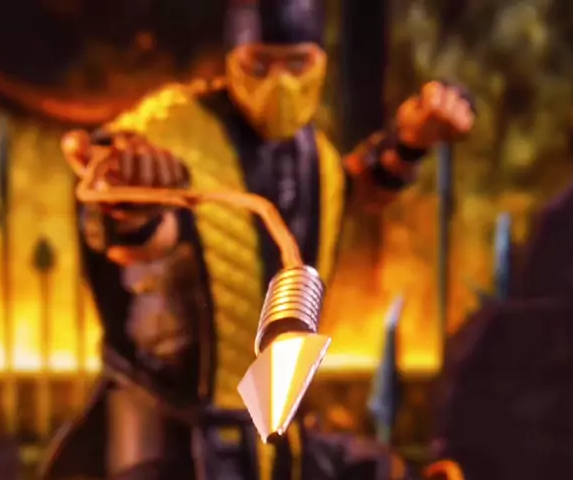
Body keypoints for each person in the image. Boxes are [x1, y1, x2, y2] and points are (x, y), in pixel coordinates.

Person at [40, 0, 474, 479]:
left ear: (319, 61)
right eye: (260, 65)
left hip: (269, 430)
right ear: (233, 59)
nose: (279, 85)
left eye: (297, 65)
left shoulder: (312, 155)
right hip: (168, 440)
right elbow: (130, 230)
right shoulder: (170, 132)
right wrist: (131, 196)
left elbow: (340, 193)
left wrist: (408, 143)